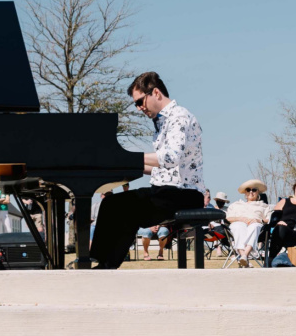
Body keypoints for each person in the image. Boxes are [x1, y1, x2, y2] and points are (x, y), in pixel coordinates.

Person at [89, 72, 207, 269]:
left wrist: (128, 157)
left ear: (156, 92)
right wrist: (125, 165)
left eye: (140, 101)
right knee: (112, 203)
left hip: (186, 194)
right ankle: (102, 263)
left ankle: (104, 265)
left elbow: (170, 158)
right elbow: (162, 168)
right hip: (169, 191)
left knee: (126, 207)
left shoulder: (179, 117)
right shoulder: (162, 124)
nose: (139, 108)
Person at [225, 179, 270, 262]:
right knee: (238, 225)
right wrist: (240, 219)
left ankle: (244, 255)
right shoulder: (236, 205)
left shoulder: (263, 206)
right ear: (245, 193)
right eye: (248, 190)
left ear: (258, 193)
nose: (251, 192)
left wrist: (260, 220)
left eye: (254, 190)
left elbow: (270, 218)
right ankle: (244, 256)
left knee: (255, 226)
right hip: (239, 224)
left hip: (257, 227)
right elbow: (228, 218)